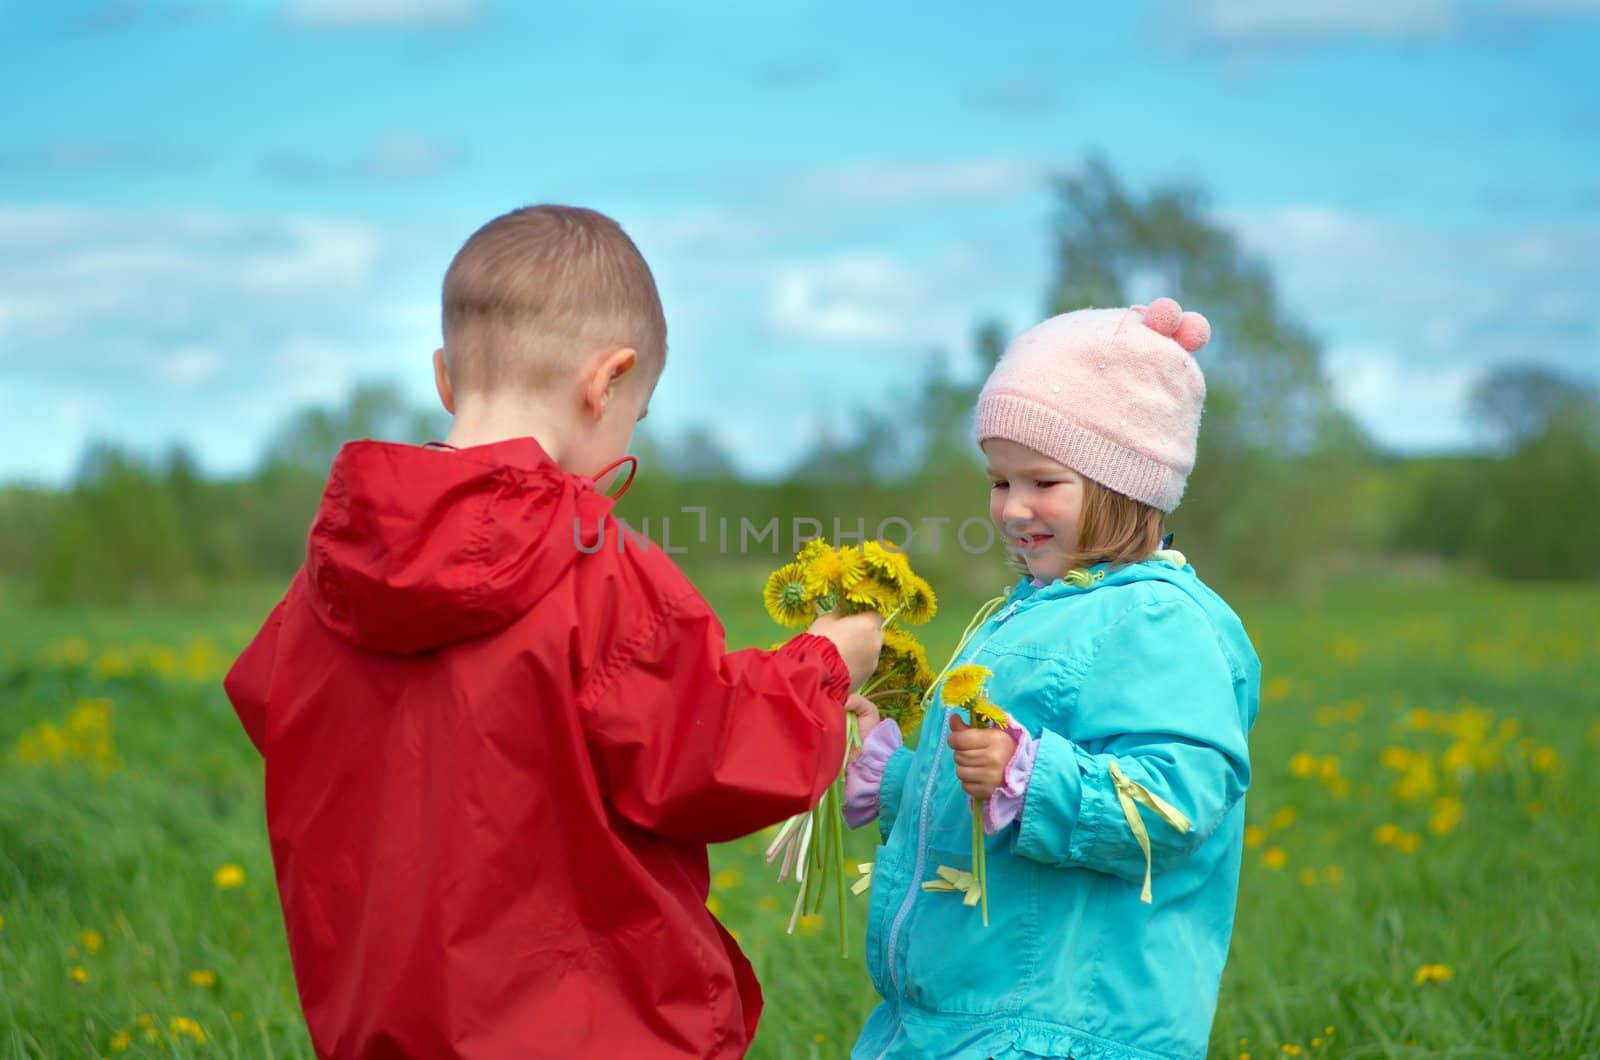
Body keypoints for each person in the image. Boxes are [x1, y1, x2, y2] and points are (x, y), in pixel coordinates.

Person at [224, 204, 883, 1059]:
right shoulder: (596, 565)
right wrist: (825, 664)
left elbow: (272, 705)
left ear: (446, 379)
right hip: (598, 1030)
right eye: (632, 420)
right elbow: (714, 753)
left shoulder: (331, 574)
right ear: (606, 381)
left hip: (381, 1028)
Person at [843, 298, 1261, 1060]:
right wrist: (899, 776)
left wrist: (1027, 778)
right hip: (957, 1013)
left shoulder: (1157, 622)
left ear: (1125, 484)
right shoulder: (1033, 611)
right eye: (999, 482)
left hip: (1062, 1025)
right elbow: (981, 793)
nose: (1013, 509)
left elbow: (1175, 804)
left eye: (1042, 482)